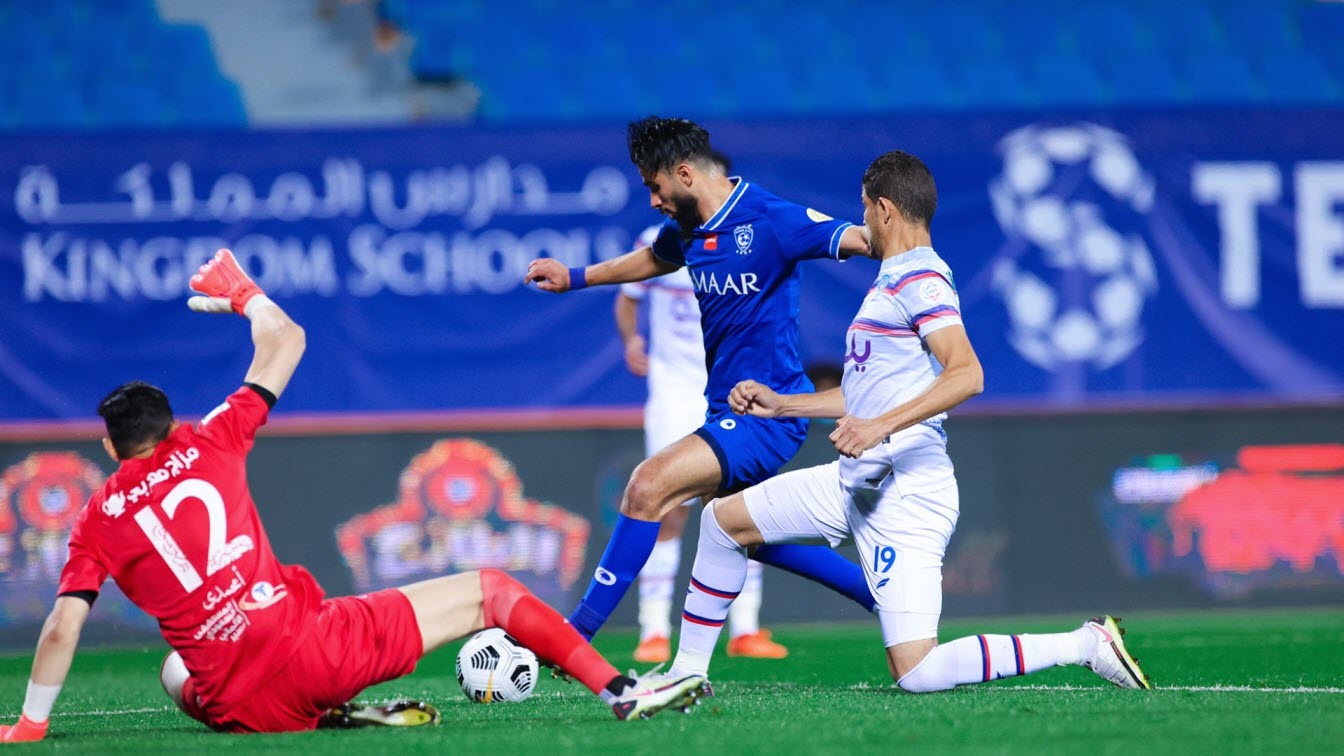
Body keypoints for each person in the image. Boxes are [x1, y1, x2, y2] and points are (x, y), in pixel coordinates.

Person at [0, 251, 707, 742]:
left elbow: (63, 627)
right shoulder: (208, 440)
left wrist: (32, 723)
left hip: (239, 704)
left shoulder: (96, 519)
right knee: (490, 588)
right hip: (313, 652)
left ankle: (320, 716)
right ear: (171, 427)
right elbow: (287, 341)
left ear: (109, 450)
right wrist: (245, 296)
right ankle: (621, 692)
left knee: (173, 669)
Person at [661, 150, 1153, 693]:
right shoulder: (892, 278)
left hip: (907, 493)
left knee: (917, 673)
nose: (863, 221)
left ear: (886, 210)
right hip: (854, 482)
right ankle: (686, 675)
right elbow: (866, 395)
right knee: (723, 521)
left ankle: (1085, 644)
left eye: (866, 209)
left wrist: (879, 427)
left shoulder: (920, 278)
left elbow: (967, 374)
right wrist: (783, 403)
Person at [525, 116, 877, 643]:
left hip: (766, 415)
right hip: (722, 410)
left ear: (684, 174)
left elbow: (863, 240)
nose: (652, 200)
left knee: (648, 485)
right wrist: (576, 277)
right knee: (739, 529)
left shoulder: (771, 219)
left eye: (653, 185)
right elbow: (653, 257)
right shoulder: (687, 228)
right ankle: (878, 593)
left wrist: (909, 254)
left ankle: (573, 636)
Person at [618, 215, 784, 663]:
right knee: (667, 507)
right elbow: (627, 297)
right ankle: (653, 630)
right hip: (674, 390)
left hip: (727, 386)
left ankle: (745, 628)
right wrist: (632, 340)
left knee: (736, 504)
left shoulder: (744, 242)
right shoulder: (656, 240)